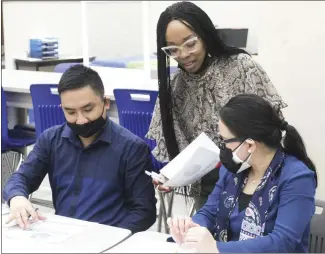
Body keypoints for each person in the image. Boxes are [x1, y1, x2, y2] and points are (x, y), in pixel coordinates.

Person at [147, 1, 287, 210]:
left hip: (258, 178)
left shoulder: (240, 67)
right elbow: (184, 150)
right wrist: (171, 177)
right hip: (210, 189)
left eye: (190, 43)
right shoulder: (175, 87)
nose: (183, 54)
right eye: (173, 49)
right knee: (207, 238)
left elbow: (275, 129)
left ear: (205, 35)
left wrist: (242, 158)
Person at [3, 65, 157, 233]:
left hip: (109, 238)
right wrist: (17, 198)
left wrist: (110, 236)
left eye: (88, 109)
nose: (81, 120)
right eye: (71, 112)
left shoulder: (132, 148)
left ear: (105, 103)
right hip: (64, 236)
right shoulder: (51, 140)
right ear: (62, 109)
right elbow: (21, 178)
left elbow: (144, 212)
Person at [167, 94, 317, 253]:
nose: (223, 148)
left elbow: (283, 242)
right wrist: (190, 228)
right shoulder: (232, 170)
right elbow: (209, 213)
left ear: (250, 145)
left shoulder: (297, 177)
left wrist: (216, 248)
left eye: (225, 141)